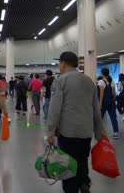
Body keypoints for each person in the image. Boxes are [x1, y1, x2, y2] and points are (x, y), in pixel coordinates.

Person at [46, 52, 104, 193]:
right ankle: (84, 182)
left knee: (68, 164)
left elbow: (54, 110)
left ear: (64, 63)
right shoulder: (89, 81)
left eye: (59, 63)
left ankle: (72, 189)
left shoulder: (60, 81)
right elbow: (96, 108)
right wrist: (98, 130)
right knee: (82, 159)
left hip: (68, 132)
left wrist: (50, 132)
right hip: (86, 132)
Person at [98, 68, 119, 139]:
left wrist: (100, 104)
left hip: (104, 103)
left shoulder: (101, 81)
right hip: (111, 102)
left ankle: (100, 133)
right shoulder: (112, 81)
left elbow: (101, 94)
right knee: (113, 117)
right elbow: (114, 94)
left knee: (100, 118)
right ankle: (116, 133)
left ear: (102, 73)